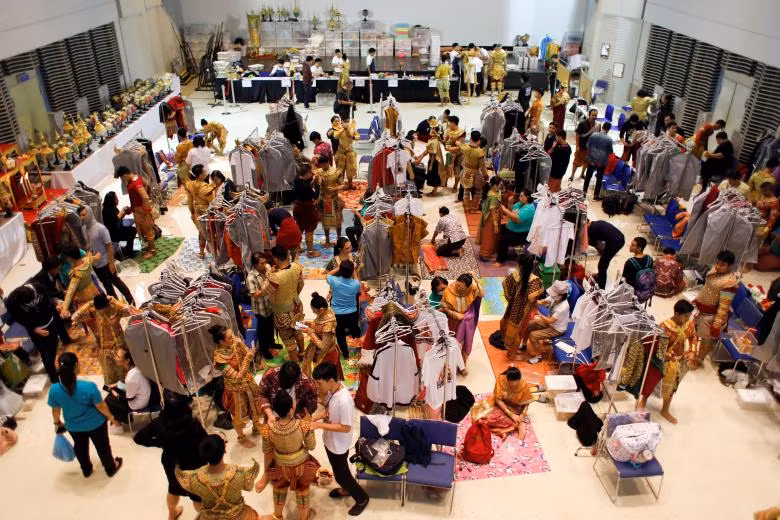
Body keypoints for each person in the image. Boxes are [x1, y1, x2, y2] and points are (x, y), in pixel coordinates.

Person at [134, 392, 208, 520]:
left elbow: (138, 438)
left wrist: (159, 443)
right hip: (194, 463)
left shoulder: (158, 423)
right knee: (197, 496)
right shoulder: (193, 424)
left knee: (174, 489)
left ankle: (172, 514)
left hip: (172, 463)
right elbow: (205, 443)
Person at [48, 352, 122, 477]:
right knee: (103, 446)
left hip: (73, 426)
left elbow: (56, 410)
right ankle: (110, 468)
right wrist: (111, 417)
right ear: (76, 366)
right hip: (96, 424)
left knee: (80, 447)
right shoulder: (88, 386)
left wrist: (57, 423)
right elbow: (101, 406)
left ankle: (86, 470)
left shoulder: (54, 389)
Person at [311, 362, 369, 515]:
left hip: (338, 445)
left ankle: (362, 498)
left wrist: (319, 425)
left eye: (319, 383)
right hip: (330, 440)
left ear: (330, 380)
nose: (317, 386)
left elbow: (346, 427)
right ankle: (346, 489)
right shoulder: (332, 391)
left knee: (342, 476)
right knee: (339, 473)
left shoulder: (344, 400)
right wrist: (316, 417)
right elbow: (328, 411)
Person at [256, 392, 320, 520]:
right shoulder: (302, 425)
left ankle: (277, 516)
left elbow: (267, 450)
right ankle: (303, 518)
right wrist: (310, 431)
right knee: (302, 491)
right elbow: (311, 446)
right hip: (302, 465)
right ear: (292, 408)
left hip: (280, 466)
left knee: (279, 490)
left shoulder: (268, 429)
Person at [637, 300, 695, 424]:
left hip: (679, 361)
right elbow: (657, 348)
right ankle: (643, 401)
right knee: (651, 382)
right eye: (686, 316)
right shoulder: (663, 327)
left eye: (689, 316)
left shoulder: (688, 324)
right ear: (677, 314)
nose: (688, 319)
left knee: (673, 387)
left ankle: (665, 410)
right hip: (661, 361)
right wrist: (669, 356)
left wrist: (692, 351)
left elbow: (693, 336)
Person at [176, 434, 260, 520]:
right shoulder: (241, 474)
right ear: (224, 450)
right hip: (238, 516)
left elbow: (183, 480)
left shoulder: (194, 479)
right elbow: (249, 487)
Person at [208, 324, 263, 447]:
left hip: (248, 382)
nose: (233, 338)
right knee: (238, 416)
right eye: (229, 338)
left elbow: (248, 354)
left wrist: (242, 346)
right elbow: (237, 377)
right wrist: (247, 359)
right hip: (235, 390)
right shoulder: (220, 359)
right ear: (221, 342)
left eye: (232, 335)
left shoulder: (235, 344)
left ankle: (256, 427)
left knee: (255, 406)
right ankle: (241, 438)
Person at [72, 293, 136, 387]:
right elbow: (75, 316)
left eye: (103, 308)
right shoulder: (94, 312)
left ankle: (129, 386)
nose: (102, 311)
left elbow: (132, 311)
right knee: (109, 371)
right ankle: (116, 389)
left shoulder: (116, 310)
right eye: (99, 309)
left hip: (119, 344)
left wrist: (115, 302)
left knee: (124, 369)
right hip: (104, 346)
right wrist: (90, 303)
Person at [5, 283, 62, 383]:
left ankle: (50, 367)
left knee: (54, 345)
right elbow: (18, 318)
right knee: (45, 351)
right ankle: (53, 377)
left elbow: (48, 299)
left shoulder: (38, 287)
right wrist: (33, 329)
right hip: (34, 327)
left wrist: (56, 305)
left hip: (49, 321)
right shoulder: (11, 302)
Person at [693, 250, 738, 366]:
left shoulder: (729, 283)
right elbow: (706, 287)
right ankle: (692, 353)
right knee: (694, 331)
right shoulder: (715, 270)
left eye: (722, 265)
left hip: (712, 316)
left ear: (730, 266)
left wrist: (716, 325)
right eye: (717, 263)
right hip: (702, 310)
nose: (717, 266)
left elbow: (724, 307)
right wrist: (698, 299)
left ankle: (699, 360)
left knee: (706, 340)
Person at [260, 246, 305, 361]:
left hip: (282, 313)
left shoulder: (275, 277)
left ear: (275, 259)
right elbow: (301, 284)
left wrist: (268, 273)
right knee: (298, 330)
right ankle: (302, 353)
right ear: (287, 255)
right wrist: (295, 295)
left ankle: (294, 362)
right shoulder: (296, 267)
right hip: (297, 306)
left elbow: (265, 291)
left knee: (288, 338)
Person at [500, 254, 545, 359]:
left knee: (513, 331)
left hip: (513, 309)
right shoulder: (535, 280)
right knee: (521, 331)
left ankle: (513, 351)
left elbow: (505, 285)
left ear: (520, 265)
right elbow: (534, 298)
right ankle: (515, 351)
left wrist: (512, 300)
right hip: (526, 311)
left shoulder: (515, 275)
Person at [440, 273, 484, 373]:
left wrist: (476, 280)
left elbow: (482, 294)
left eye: (462, 287)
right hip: (453, 321)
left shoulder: (471, 289)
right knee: (452, 343)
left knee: (463, 344)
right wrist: (454, 314)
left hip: (466, 321)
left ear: (468, 287)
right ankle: (450, 366)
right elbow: (444, 307)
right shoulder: (449, 290)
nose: (458, 288)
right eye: (458, 284)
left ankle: (461, 366)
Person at [483, 366, 540, 440]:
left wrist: (522, 415)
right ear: (507, 379)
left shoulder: (523, 385)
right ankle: (503, 431)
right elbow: (498, 399)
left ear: (519, 380)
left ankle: (516, 426)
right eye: (510, 384)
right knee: (488, 418)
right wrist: (510, 414)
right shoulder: (501, 380)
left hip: (516, 407)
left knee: (515, 421)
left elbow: (526, 403)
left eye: (515, 384)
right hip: (502, 405)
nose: (512, 387)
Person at [520, 280, 570, 363]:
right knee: (528, 324)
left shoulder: (563, 307)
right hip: (551, 323)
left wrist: (539, 314)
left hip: (557, 329)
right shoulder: (555, 297)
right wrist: (531, 301)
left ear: (561, 295)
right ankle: (524, 345)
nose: (551, 295)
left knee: (533, 336)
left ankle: (538, 357)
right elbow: (543, 301)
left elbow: (550, 321)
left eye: (554, 294)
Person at [115, 166, 156, 259]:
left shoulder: (135, 183)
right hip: (139, 209)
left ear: (124, 175)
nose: (123, 180)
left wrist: (145, 209)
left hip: (141, 211)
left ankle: (152, 250)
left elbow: (145, 197)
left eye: (122, 178)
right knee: (145, 230)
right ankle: (150, 248)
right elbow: (146, 184)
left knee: (147, 230)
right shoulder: (137, 177)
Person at [104, 349, 151, 427]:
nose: (115, 358)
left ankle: (119, 423)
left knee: (108, 400)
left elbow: (129, 398)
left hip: (138, 403)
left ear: (127, 360)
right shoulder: (136, 368)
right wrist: (116, 385)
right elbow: (131, 386)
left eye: (118, 357)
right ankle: (117, 419)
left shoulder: (131, 377)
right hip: (142, 395)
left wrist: (116, 395)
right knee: (113, 390)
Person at [301, 294, 343, 379]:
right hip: (318, 352)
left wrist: (310, 332)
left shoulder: (329, 323)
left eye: (314, 310)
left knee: (325, 380)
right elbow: (319, 324)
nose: (313, 312)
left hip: (326, 355)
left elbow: (324, 347)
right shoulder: (325, 312)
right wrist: (309, 324)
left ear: (321, 309)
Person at [326, 260, 361, 360]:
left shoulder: (334, 281)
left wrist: (338, 268)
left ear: (340, 271)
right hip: (352, 313)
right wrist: (354, 271)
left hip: (337, 313)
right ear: (352, 271)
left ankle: (345, 354)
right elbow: (359, 289)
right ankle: (358, 347)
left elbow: (327, 274)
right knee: (355, 329)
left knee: (340, 334)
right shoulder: (356, 284)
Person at [59, 244, 101, 319]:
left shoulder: (76, 273)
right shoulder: (87, 260)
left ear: (69, 258)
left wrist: (64, 308)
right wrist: (98, 254)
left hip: (84, 301)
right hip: (95, 293)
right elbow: (98, 256)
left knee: (92, 321)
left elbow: (70, 292)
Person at [246, 252, 275, 355]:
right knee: (263, 330)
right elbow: (254, 295)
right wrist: (267, 287)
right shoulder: (251, 277)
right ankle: (264, 350)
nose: (265, 265)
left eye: (265, 262)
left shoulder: (267, 268)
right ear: (255, 264)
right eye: (262, 263)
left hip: (270, 306)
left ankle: (272, 343)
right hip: (260, 308)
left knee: (271, 326)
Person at [497, 189, 535, 264]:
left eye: (521, 196)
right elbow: (512, 212)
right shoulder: (520, 204)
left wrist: (504, 210)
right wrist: (510, 203)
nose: (519, 197)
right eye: (520, 196)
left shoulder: (529, 208)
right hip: (512, 228)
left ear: (527, 197)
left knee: (503, 240)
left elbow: (517, 219)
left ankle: (500, 261)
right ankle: (501, 251)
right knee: (499, 229)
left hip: (521, 233)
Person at [186, 164, 215, 258]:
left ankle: (201, 252)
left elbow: (190, 202)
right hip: (207, 213)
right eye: (204, 171)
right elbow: (212, 203)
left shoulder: (190, 185)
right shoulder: (205, 188)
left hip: (196, 212)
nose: (206, 172)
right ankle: (215, 253)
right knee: (210, 233)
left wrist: (192, 213)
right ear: (200, 175)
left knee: (201, 232)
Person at [315, 155, 346, 245]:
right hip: (323, 199)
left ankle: (339, 238)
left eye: (324, 164)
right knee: (325, 221)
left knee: (338, 220)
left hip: (334, 199)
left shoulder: (336, 172)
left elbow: (343, 184)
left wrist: (334, 189)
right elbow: (315, 185)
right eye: (321, 165)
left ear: (327, 162)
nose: (322, 167)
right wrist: (316, 180)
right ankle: (327, 240)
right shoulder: (318, 172)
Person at [293, 162, 321, 258]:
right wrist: (318, 185)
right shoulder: (306, 187)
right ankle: (310, 252)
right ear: (307, 173)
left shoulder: (296, 179)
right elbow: (315, 196)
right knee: (309, 229)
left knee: (299, 228)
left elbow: (308, 183)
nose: (312, 174)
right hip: (307, 209)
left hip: (297, 206)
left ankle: (296, 249)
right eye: (310, 173)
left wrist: (313, 180)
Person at [587, 220, 625, 289]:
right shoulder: (596, 223)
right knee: (603, 260)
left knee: (602, 265)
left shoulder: (591, 230)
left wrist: (602, 254)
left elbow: (594, 243)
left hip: (615, 243)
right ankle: (599, 276)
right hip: (620, 237)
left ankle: (601, 287)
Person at [458, 129, 488, 211]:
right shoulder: (480, 152)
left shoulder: (465, 147)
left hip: (466, 172)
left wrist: (461, 136)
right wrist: (485, 175)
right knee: (477, 191)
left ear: (471, 138)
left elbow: (460, 142)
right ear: (479, 140)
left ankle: (467, 207)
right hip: (476, 173)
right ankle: (474, 208)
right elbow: (482, 166)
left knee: (466, 190)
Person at [102, 191, 136, 258]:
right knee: (132, 231)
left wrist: (125, 212)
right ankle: (129, 251)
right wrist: (123, 209)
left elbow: (119, 218)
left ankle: (128, 249)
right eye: (116, 198)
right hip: (114, 233)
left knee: (133, 228)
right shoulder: (106, 210)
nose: (118, 200)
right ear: (111, 200)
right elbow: (116, 218)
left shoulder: (113, 207)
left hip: (118, 228)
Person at [583, 122, 613, 199]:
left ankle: (584, 192)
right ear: (609, 129)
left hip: (591, 160)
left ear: (602, 127)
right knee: (599, 179)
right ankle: (596, 195)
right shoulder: (609, 139)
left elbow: (587, 146)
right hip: (601, 162)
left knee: (588, 177)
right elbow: (610, 152)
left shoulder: (593, 135)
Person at [478, 176, 503, 261]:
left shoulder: (491, 192)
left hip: (488, 218)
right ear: (495, 185)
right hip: (491, 219)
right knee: (490, 236)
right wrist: (495, 224)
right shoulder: (493, 196)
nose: (501, 186)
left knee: (488, 236)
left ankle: (487, 253)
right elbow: (493, 211)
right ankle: (485, 254)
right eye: (500, 185)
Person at [332, 114, 358, 190]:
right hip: (341, 152)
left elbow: (358, 136)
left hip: (350, 152)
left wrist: (353, 137)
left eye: (348, 121)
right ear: (342, 121)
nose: (347, 123)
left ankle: (350, 184)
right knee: (340, 169)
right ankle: (342, 184)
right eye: (345, 121)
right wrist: (343, 129)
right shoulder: (338, 128)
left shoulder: (352, 127)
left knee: (351, 169)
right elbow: (335, 136)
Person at [572, 108, 598, 180]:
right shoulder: (582, 123)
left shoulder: (597, 125)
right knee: (577, 162)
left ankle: (582, 174)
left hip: (591, 148)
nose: (594, 117)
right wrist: (577, 146)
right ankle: (572, 175)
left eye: (596, 115)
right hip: (582, 146)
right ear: (589, 115)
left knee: (587, 162)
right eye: (593, 115)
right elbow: (577, 134)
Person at [442, 115, 465, 192]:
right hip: (450, 154)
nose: (448, 124)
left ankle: (455, 185)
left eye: (450, 122)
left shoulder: (461, 132)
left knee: (457, 170)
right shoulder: (448, 130)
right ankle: (445, 182)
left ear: (454, 123)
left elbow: (461, 146)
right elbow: (445, 140)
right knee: (447, 167)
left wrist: (451, 148)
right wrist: (444, 141)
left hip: (459, 154)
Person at [425, 126, 444, 195]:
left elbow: (433, 154)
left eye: (432, 130)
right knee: (434, 175)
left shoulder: (435, 141)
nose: (430, 131)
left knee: (435, 175)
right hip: (433, 160)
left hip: (434, 161)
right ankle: (434, 190)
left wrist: (431, 165)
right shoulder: (433, 140)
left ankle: (434, 191)